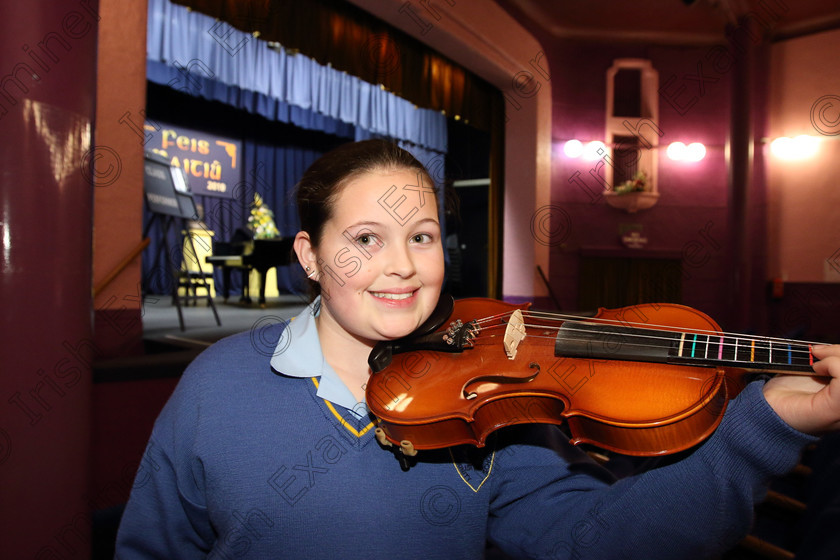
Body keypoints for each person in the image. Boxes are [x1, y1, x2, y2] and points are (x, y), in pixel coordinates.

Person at [115, 139, 840, 559]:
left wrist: (767, 422)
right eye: (365, 240)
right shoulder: (216, 387)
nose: (404, 266)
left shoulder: (490, 412)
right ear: (309, 255)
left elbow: (600, 540)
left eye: (421, 237)